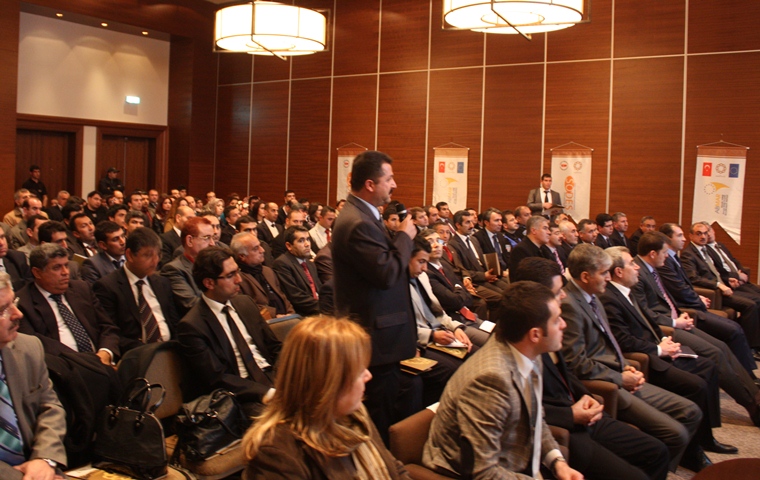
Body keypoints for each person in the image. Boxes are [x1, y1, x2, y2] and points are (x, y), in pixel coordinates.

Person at [511, 257, 670, 480]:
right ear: (536, 298)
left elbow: (565, 373)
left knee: (657, 451)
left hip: (585, 412)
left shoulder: (549, 326)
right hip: (566, 431)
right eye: (557, 292)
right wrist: (571, 415)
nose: (564, 295)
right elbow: (520, 410)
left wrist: (587, 396)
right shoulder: (522, 341)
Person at [560, 244, 706, 472]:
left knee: (691, 411)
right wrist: (620, 377)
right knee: (675, 433)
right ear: (586, 276)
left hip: (621, 373)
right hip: (606, 384)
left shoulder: (593, 297)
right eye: (604, 273)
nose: (609, 278)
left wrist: (627, 366)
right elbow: (576, 363)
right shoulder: (569, 305)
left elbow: (609, 343)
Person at [423, 282, 581, 479]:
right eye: (557, 320)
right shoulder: (490, 380)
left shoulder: (530, 352)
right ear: (535, 334)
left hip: (512, 458)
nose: (564, 324)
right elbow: (483, 472)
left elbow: (535, 419)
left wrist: (557, 462)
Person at [242, 316, 410, 479]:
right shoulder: (277, 452)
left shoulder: (355, 414)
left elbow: (392, 466)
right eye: (359, 370)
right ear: (329, 382)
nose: (368, 376)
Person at [332, 150, 419, 441]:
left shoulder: (364, 214)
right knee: (377, 416)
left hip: (381, 334)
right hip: (375, 338)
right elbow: (386, 274)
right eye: (389, 179)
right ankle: (376, 462)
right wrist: (405, 236)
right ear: (370, 184)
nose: (394, 185)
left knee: (388, 406)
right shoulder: (357, 222)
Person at [176, 247, 281, 412]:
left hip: (272, 376)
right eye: (231, 275)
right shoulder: (192, 326)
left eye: (238, 272)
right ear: (209, 283)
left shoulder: (245, 303)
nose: (239, 280)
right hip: (240, 395)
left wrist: (287, 376)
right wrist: (268, 393)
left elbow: (274, 347)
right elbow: (217, 378)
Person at [0, 272, 67, 480]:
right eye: (3, 310)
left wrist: (44, 459)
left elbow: (51, 408)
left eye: (14, 303)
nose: (18, 314)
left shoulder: (28, 348)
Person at [17, 244, 121, 366]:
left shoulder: (82, 288)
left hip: (102, 361)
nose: (65, 272)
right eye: (57, 268)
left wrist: (105, 353)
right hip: (65, 367)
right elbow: (39, 346)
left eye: (66, 265)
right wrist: (89, 362)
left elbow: (107, 327)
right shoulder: (22, 304)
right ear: (37, 272)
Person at [93, 228, 179, 353]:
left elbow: (175, 323)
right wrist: (150, 350)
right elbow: (111, 333)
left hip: (170, 349)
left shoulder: (162, 283)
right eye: (147, 255)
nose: (155, 261)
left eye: (158, 255)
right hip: (136, 354)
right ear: (129, 255)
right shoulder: (107, 287)